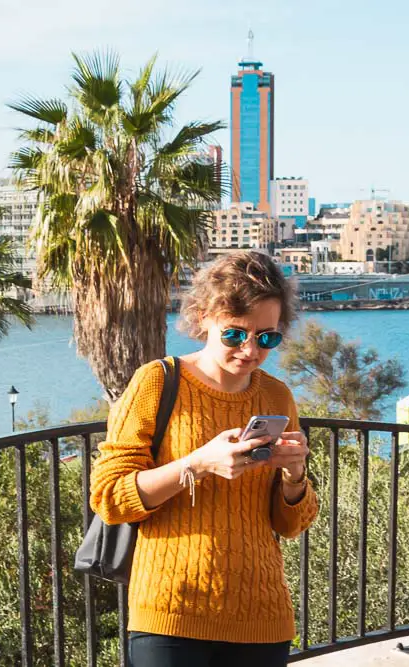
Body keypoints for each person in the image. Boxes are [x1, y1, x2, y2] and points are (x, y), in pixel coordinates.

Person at [90, 251, 319, 667]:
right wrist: (199, 463)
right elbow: (109, 497)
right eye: (235, 334)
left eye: (266, 337)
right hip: (171, 614)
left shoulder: (276, 396)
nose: (250, 350)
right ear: (203, 318)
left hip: (261, 616)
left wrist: (295, 474)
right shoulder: (157, 382)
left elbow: (289, 526)